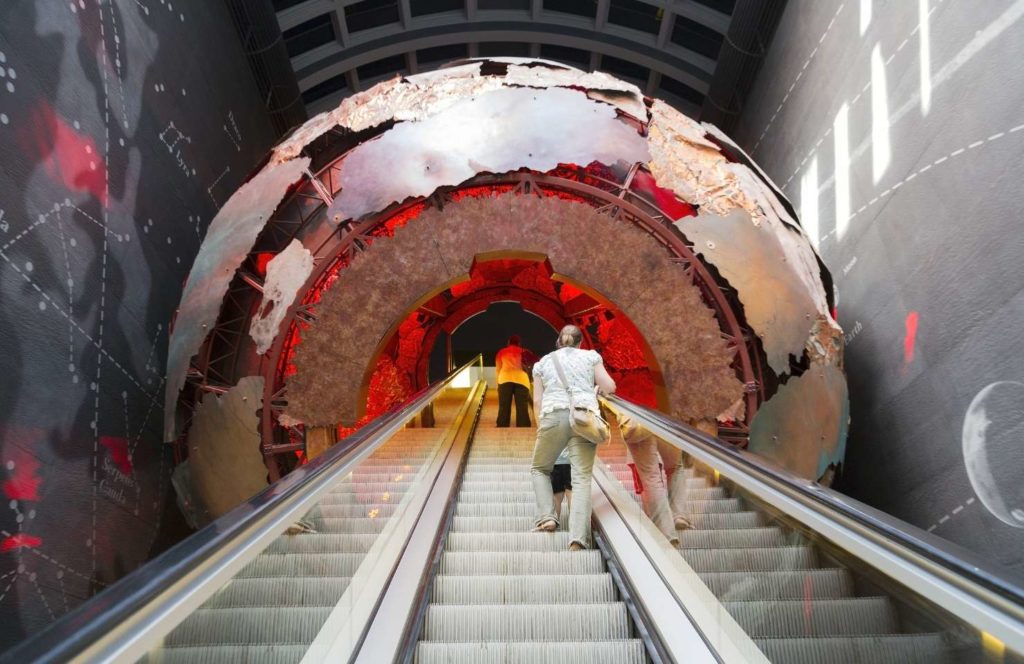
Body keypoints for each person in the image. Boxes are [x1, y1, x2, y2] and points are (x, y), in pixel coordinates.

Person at [530, 324, 616, 550]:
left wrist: (543, 428)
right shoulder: (591, 357)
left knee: (540, 468)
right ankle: (578, 538)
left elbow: (537, 401)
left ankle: (547, 516)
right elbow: (610, 386)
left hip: (553, 416)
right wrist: (594, 390)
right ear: (580, 342)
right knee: (581, 479)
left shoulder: (543, 363)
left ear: (559, 341)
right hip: (583, 417)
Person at [618, 414, 691, 548]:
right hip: (667, 418)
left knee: (651, 477)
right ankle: (679, 515)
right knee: (675, 467)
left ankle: (666, 534)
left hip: (638, 420)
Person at [496, 335, 534, 427]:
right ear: (519, 343)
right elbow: (533, 366)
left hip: (505, 379)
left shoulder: (501, 352)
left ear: (508, 343)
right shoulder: (525, 351)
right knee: (522, 406)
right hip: (522, 380)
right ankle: (523, 425)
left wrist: (497, 384)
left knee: (504, 405)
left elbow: (498, 369)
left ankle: (502, 424)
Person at [551, 447, 572, 520]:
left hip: (555, 463)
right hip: (570, 463)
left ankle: (556, 522)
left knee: (557, 498)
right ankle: (574, 523)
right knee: (571, 494)